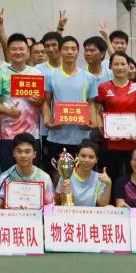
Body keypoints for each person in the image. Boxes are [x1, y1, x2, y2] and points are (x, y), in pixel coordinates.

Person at [40, 37, 99, 177]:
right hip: (57, 136)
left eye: (73, 49)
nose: (70, 52)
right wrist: (48, 121)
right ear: (60, 51)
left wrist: (92, 123)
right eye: (66, 48)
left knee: (80, 175)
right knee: (57, 175)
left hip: (81, 136)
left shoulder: (89, 77)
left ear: (78, 52)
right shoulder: (50, 76)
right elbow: (46, 101)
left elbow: (91, 103)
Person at [0, 35, 43, 180]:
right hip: (8, 134)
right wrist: (9, 112)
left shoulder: (36, 74)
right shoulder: (0, 74)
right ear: (8, 51)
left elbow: (41, 102)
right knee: (8, 176)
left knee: (31, 176)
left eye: (21, 49)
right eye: (14, 49)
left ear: (28, 52)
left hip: (32, 133)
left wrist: (37, 101)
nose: (18, 52)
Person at [93, 51, 136, 183]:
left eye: (123, 64)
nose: (119, 67)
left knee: (132, 178)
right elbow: (97, 111)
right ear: (110, 66)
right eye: (116, 64)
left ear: (129, 66)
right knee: (110, 177)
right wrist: (101, 128)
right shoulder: (103, 88)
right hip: (110, 143)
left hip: (133, 142)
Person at [0, 134, 52, 209]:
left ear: (34, 154)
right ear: (14, 153)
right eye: (19, 151)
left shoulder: (45, 178)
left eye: (27, 152)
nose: (23, 155)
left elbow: (50, 207)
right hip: (13, 216)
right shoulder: (5, 177)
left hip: (37, 216)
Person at [56, 141, 112, 208]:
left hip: (90, 213)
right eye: (83, 156)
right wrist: (62, 194)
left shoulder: (100, 178)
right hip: (70, 213)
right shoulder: (66, 173)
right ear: (77, 157)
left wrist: (109, 184)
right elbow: (57, 202)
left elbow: (103, 205)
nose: (87, 160)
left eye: (91, 157)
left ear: (96, 160)